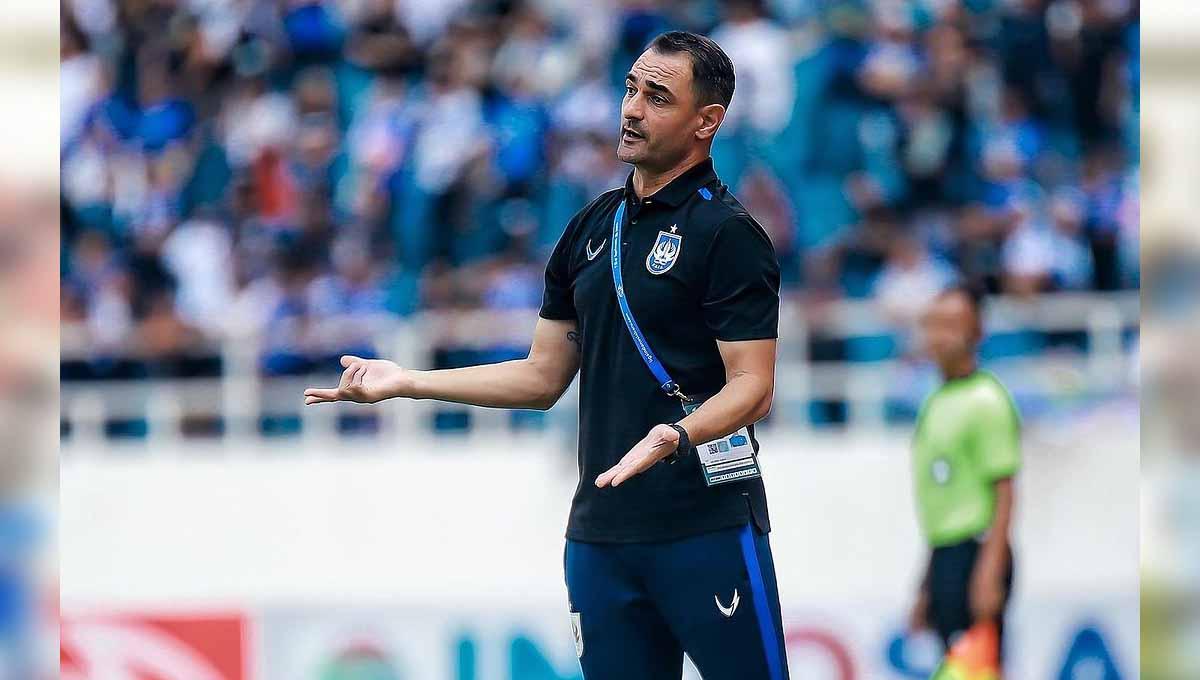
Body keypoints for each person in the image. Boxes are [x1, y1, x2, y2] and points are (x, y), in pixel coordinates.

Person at [304, 31, 788, 680]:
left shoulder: (727, 233)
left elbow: (753, 386)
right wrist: (407, 381)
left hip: (706, 525)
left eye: (658, 97)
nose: (633, 109)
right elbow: (541, 377)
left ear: (707, 121)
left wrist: (674, 435)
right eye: (631, 89)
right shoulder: (591, 228)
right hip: (600, 537)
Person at [909, 283, 1020, 669]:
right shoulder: (936, 400)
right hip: (946, 552)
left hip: (976, 550)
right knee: (955, 667)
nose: (941, 336)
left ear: (976, 332)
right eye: (934, 325)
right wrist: (927, 583)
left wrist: (990, 569)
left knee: (979, 668)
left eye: (953, 325)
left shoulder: (986, 399)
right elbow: (941, 502)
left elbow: (1005, 489)